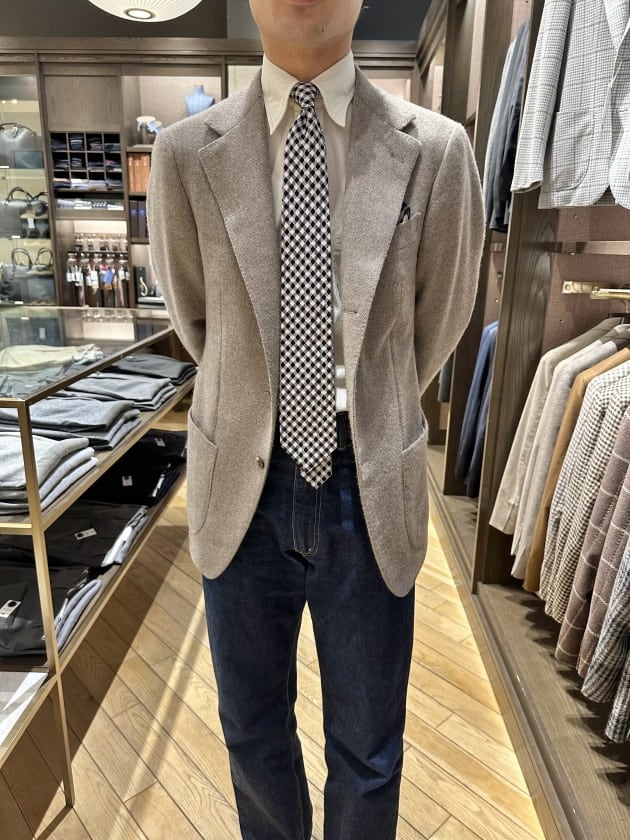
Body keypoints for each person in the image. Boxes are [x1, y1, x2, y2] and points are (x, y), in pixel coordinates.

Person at [147, 1, 485, 837]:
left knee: (369, 747)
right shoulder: (184, 153)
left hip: (367, 481)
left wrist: (371, 400)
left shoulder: (437, 150)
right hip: (240, 478)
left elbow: (438, 319)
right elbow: (197, 318)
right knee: (251, 731)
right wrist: (255, 397)